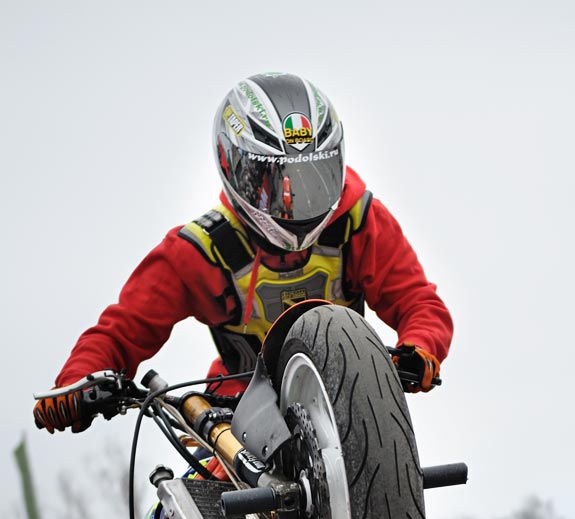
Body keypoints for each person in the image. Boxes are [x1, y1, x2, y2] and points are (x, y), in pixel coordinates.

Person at [33, 72, 453, 434]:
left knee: (394, 468)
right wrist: (79, 383)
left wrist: (419, 348)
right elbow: (119, 332)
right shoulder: (201, 251)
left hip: (345, 404)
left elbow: (418, 302)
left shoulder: (358, 221)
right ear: (236, 168)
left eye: (312, 176)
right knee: (181, 510)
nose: (296, 199)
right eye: (277, 180)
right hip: (236, 414)